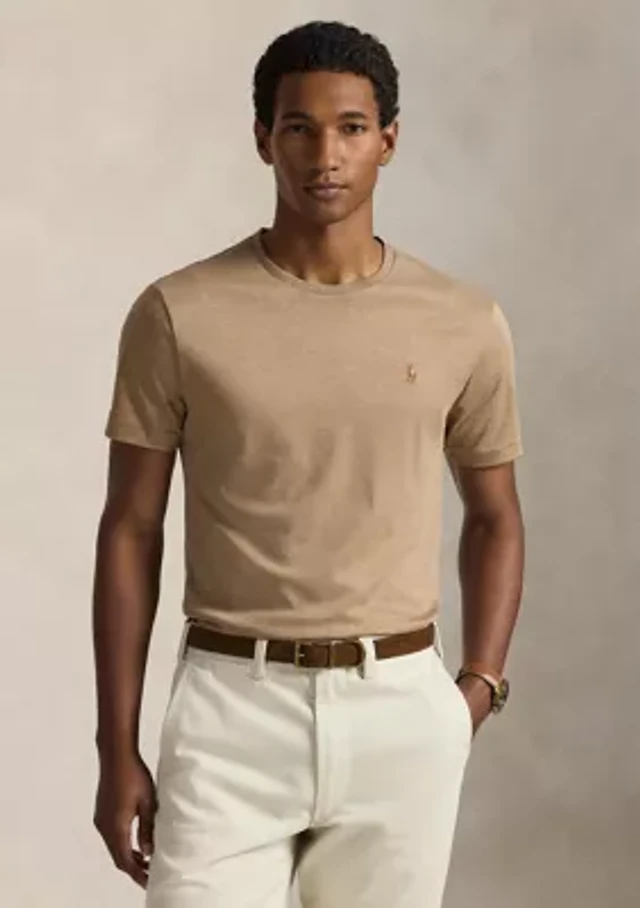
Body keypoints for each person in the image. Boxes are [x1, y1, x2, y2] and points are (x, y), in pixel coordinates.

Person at [92, 19, 525, 908]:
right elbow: (131, 528)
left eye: (351, 128)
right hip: (229, 710)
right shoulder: (178, 313)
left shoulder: (462, 321)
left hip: (400, 710)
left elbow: (496, 517)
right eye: (300, 127)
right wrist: (116, 745)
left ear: (388, 140)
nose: (326, 155)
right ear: (264, 138)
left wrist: (476, 688)